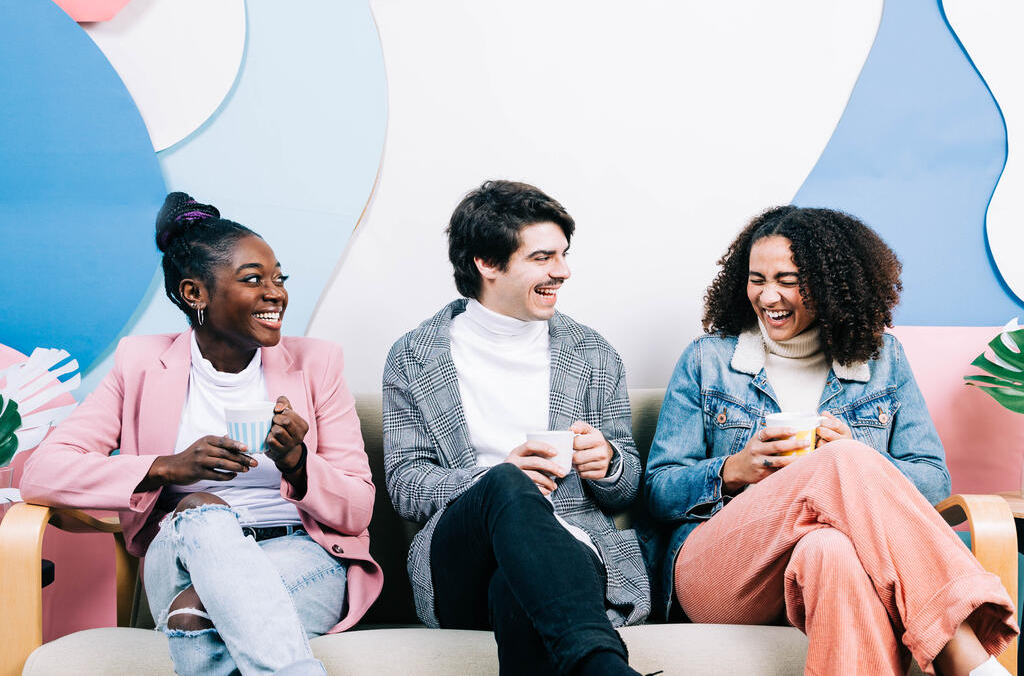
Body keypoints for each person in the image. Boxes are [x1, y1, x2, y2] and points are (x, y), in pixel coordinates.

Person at [643, 205, 1018, 676]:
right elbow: (657, 491)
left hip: (821, 565)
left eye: (788, 279)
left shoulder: (883, 361)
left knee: (831, 549)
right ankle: (964, 650)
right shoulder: (708, 360)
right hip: (720, 575)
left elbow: (934, 484)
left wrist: (863, 455)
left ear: (830, 284)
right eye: (756, 278)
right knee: (841, 460)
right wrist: (733, 470)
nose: (768, 295)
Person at [21, 192, 381, 676]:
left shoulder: (317, 364)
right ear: (196, 294)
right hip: (181, 554)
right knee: (200, 510)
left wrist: (298, 462)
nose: (276, 293)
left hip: (298, 552)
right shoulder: (141, 364)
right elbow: (42, 471)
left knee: (195, 618)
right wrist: (166, 467)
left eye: (279, 279)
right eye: (253, 280)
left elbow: (358, 507)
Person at [382, 180, 651, 676]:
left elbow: (628, 486)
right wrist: (492, 478)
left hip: (571, 550)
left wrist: (608, 464)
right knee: (504, 481)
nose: (563, 272)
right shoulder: (414, 358)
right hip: (459, 561)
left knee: (517, 590)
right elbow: (405, 486)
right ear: (487, 262)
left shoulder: (593, 354)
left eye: (564, 255)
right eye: (543, 257)